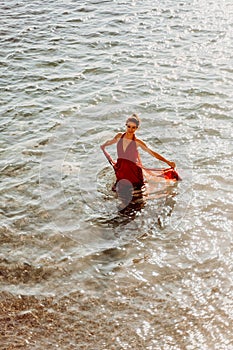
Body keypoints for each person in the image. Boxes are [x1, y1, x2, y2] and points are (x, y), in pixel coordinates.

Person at [100, 114, 176, 196]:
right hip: (121, 169)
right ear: (126, 125)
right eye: (129, 126)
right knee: (117, 194)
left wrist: (168, 162)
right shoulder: (119, 136)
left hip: (134, 172)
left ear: (137, 128)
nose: (130, 129)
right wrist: (104, 145)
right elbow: (111, 141)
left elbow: (152, 153)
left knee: (137, 196)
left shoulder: (137, 142)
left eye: (133, 127)